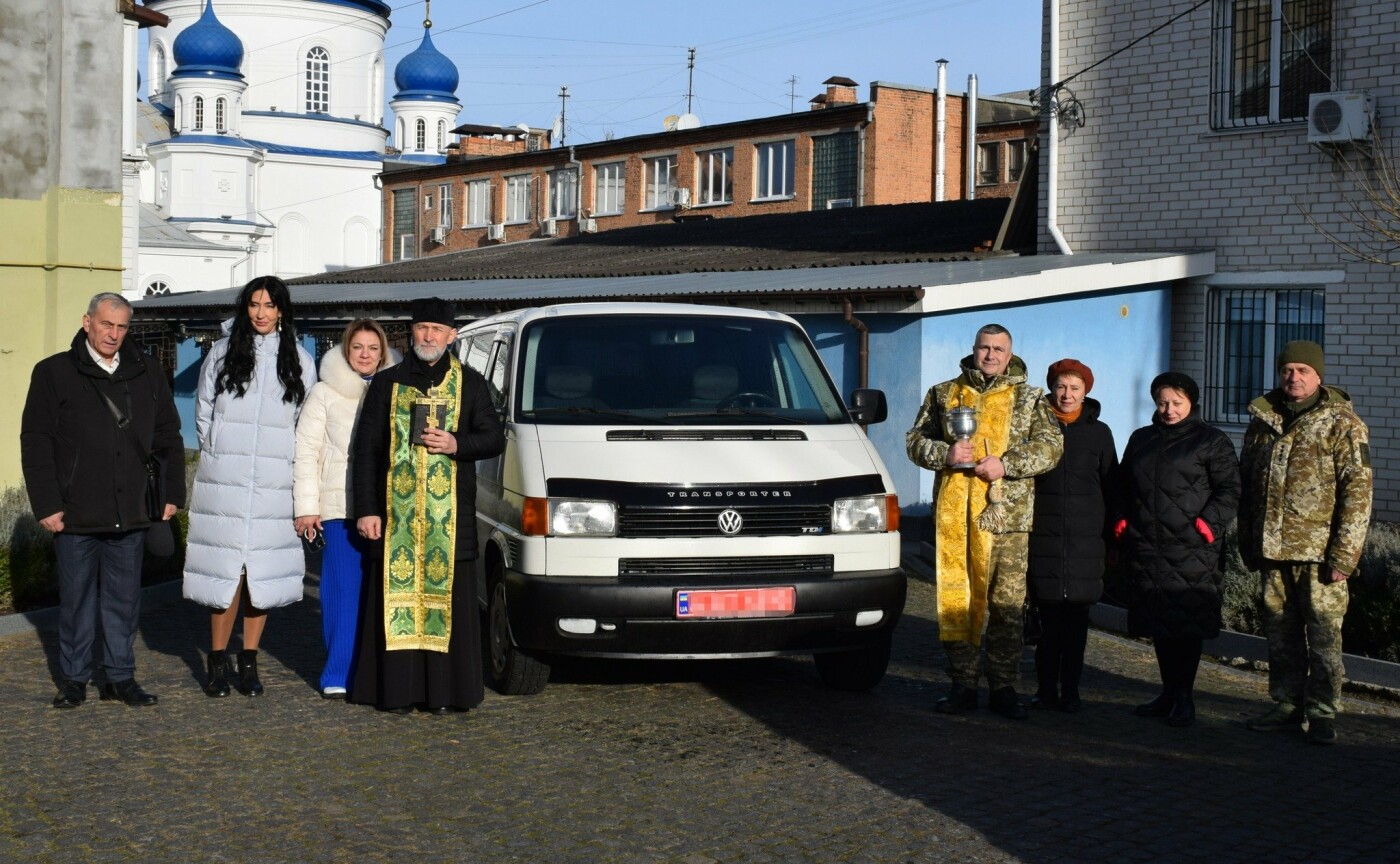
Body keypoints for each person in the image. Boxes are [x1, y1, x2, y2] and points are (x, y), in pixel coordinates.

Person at [21, 292, 185, 709]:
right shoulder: (53, 372)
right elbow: (36, 442)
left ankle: (119, 676)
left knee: (124, 600)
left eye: (122, 326)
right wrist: (46, 504)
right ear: (87, 322)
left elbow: (168, 434)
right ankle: (74, 679)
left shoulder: (146, 370)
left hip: (131, 509)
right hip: (75, 511)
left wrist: (170, 493)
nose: (113, 334)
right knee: (75, 600)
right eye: (106, 324)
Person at [348, 297, 505, 714]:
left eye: (437, 329)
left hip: (449, 523)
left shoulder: (470, 383)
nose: (429, 336)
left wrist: (457, 443)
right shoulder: (388, 383)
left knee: (449, 604)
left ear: (452, 336)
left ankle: (444, 694)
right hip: (396, 521)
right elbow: (366, 451)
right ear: (411, 332)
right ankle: (396, 692)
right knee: (390, 602)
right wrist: (366, 509)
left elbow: (494, 437)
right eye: (422, 328)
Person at [906, 324, 1063, 719]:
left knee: (1007, 606)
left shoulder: (1030, 398)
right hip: (956, 517)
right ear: (973, 349)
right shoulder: (945, 394)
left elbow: (1051, 448)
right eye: (984, 348)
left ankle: (1003, 687)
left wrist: (1006, 464)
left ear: (1010, 354)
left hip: (1007, 519)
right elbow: (914, 440)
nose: (991, 355)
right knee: (959, 600)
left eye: (999, 349)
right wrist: (944, 454)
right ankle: (962, 685)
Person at [184, 276, 316, 698]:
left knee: (261, 576)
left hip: (276, 484)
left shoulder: (299, 359)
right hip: (226, 482)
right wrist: (220, 453)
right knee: (226, 576)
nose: (261, 313)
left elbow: (306, 422)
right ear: (246, 309)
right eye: (254, 304)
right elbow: (203, 414)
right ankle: (217, 661)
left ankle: (250, 662)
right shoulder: (222, 353)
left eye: (269, 305)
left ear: (282, 311)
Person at [1239, 341, 1372, 745]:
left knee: (1325, 636)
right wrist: (1248, 542)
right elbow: (1249, 484)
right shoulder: (1263, 420)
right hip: (1273, 549)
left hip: (1320, 554)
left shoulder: (1343, 424)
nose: (1293, 378)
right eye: (1287, 370)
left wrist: (1345, 555)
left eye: (1302, 371)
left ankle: (1324, 712)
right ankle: (1287, 704)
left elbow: (1358, 492)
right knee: (1280, 633)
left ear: (1318, 376)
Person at [1115, 372, 1239, 728]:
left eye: (1177, 403)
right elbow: (1124, 484)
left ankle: (1184, 696)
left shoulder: (1211, 441)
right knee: (1159, 623)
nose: (1169, 410)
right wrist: (1122, 518)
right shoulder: (1142, 439)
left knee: (1187, 625)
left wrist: (1208, 524)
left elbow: (1230, 489)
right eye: (1163, 403)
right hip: (1148, 547)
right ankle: (1167, 692)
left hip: (1192, 549)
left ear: (1191, 403)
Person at [293, 320, 398, 698]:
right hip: (338, 505)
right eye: (358, 347)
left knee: (382, 592)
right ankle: (338, 670)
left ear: (383, 352)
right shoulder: (324, 392)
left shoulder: (395, 390)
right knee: (341, 589)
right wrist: (306, 507)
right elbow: (306, 451)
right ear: (346, 351)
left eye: (373, 348)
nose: (366, 355)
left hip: (388, 506)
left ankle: (376, 670)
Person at [1027, 359, 1117, 713]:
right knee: (1046, 624)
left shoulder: (1099, 433)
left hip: (1085, 541)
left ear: (1086, 392)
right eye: (1061, 387)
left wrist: (1113, 537)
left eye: (1075, 388)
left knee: (1077, 625)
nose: (1067, 395)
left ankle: (1072, 692)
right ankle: (1045, 689)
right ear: (1051, 387)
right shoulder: (1034, 427)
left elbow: (1112, 485)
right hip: (1043, 539)